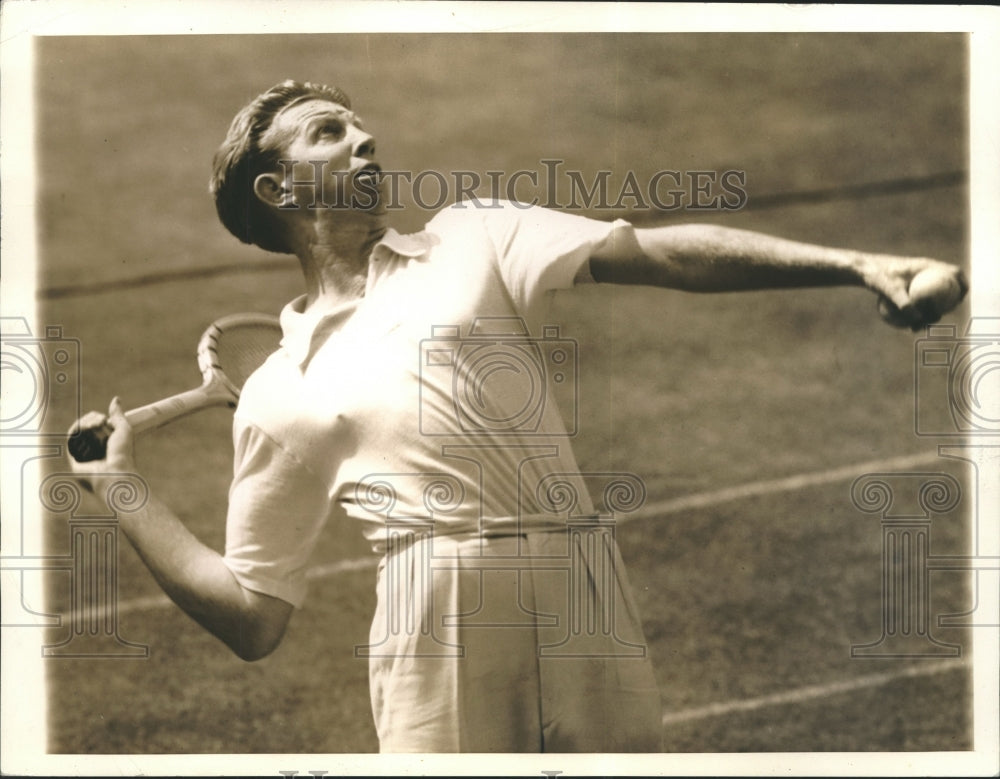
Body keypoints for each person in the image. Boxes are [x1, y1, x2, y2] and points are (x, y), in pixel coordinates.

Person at [69, 79, 968, 753]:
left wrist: (857, 263)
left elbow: (662, 255)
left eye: (357, 120)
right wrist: (121, 489)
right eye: (328, 133)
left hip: (583, 580)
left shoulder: (475, 233)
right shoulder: (274, 391)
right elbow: (252, 614)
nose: (366, 134)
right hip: (435, 612)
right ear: (278, 192)